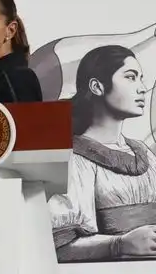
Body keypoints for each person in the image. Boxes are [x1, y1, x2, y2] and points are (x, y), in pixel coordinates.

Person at [48, 45, 156, 262]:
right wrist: (119, 244)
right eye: (130, 77)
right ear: (97, 86)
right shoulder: (75, 158)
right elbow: (59, 244)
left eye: (141, 78)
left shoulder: (145, 154)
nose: (142, 88)